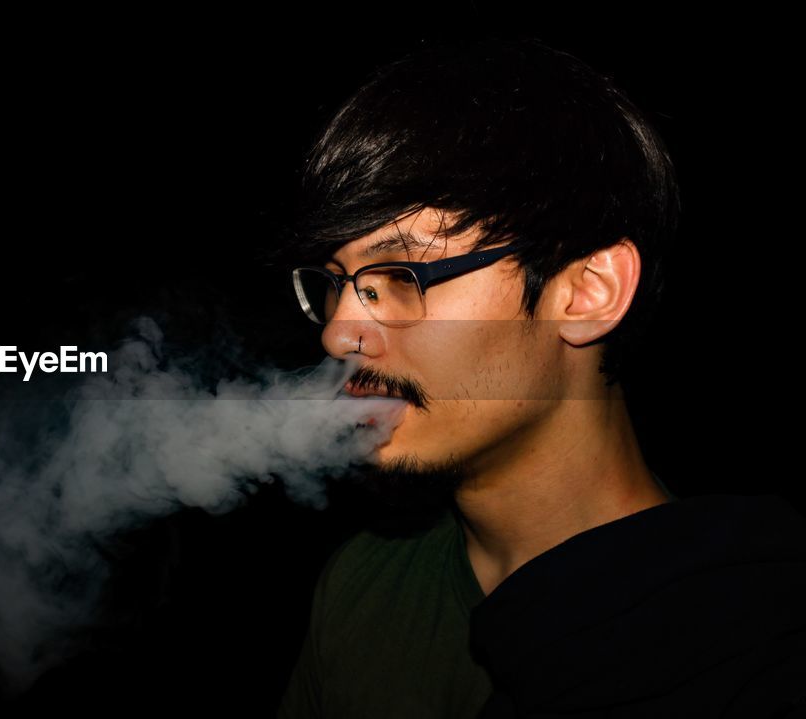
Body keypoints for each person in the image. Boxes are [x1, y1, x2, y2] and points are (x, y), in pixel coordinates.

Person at [275, 35, 806, 718]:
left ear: (586, 292)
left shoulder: (751, 643)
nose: (337, 330)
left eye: (400, 275)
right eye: (335, 282)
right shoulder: (363, 588)